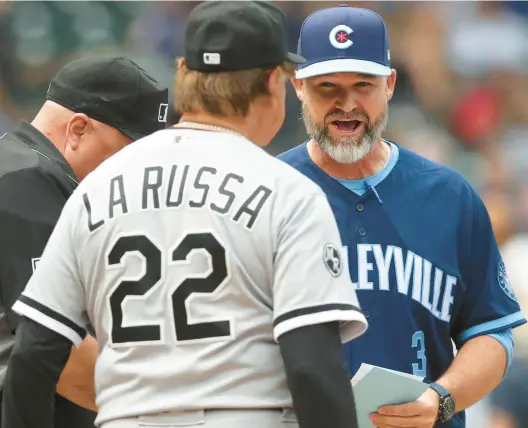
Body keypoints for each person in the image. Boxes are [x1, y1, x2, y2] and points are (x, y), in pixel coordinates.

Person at [2, 2, 368, 428]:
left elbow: (33, 353)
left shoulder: (95, 190)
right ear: (273, 81)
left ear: (183, 72)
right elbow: (312, 369)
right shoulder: (288, 192)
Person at [279, 5, 526, 428]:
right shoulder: (269, 192)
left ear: (390, 84)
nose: (347, 104)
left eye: (363, 84)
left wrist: (442, 399)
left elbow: (492, 333)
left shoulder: (449, 196)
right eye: (327, 87)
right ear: (298, 86)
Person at [0, 55, 168, 427]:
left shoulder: (34, 173)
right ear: (78, 129)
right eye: (131, 153)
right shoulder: (21, 182)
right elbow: (59, 354)